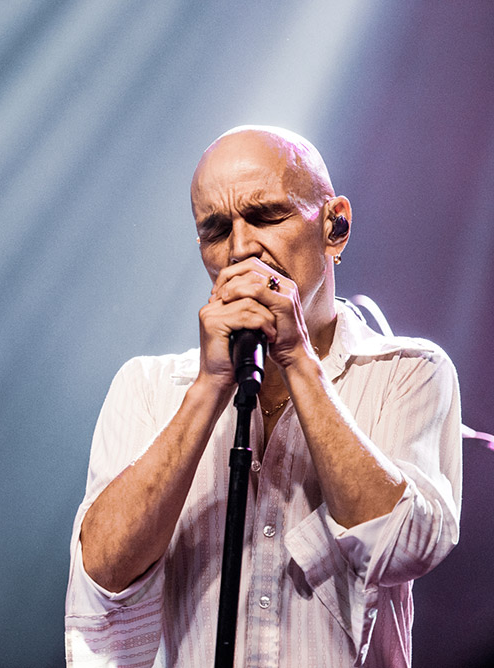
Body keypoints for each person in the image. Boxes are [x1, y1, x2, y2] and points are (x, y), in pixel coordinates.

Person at [64, 126, 462, 667]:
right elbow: (103, 576)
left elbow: (407, 547)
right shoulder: (147, 387)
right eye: (216, 230)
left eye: (266, 216)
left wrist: (297, 357)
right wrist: (210, 387)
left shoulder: (409, 372)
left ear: (335, 225)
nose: (241, 248)